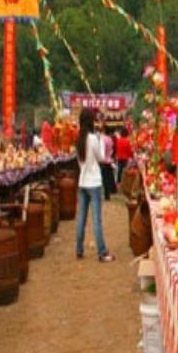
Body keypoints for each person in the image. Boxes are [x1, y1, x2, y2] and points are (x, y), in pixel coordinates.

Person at [75, 108, 115, 262]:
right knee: (96, 219)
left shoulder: (79, 139)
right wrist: (100, 142)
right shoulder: (92, 139)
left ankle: (79, 249)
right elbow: (101, 158)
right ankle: (102, 252)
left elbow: (80, 162)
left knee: (82, 218)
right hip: (94, 182)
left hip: (83, 181)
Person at [99, 125, 116, 200]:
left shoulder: (103, 139)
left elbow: (102, 150)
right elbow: (112, 150)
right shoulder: (110, 139)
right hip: (109, 160)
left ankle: (107, 194)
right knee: (109, 178)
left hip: (104, 161)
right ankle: (110, 192)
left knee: (105, 179)